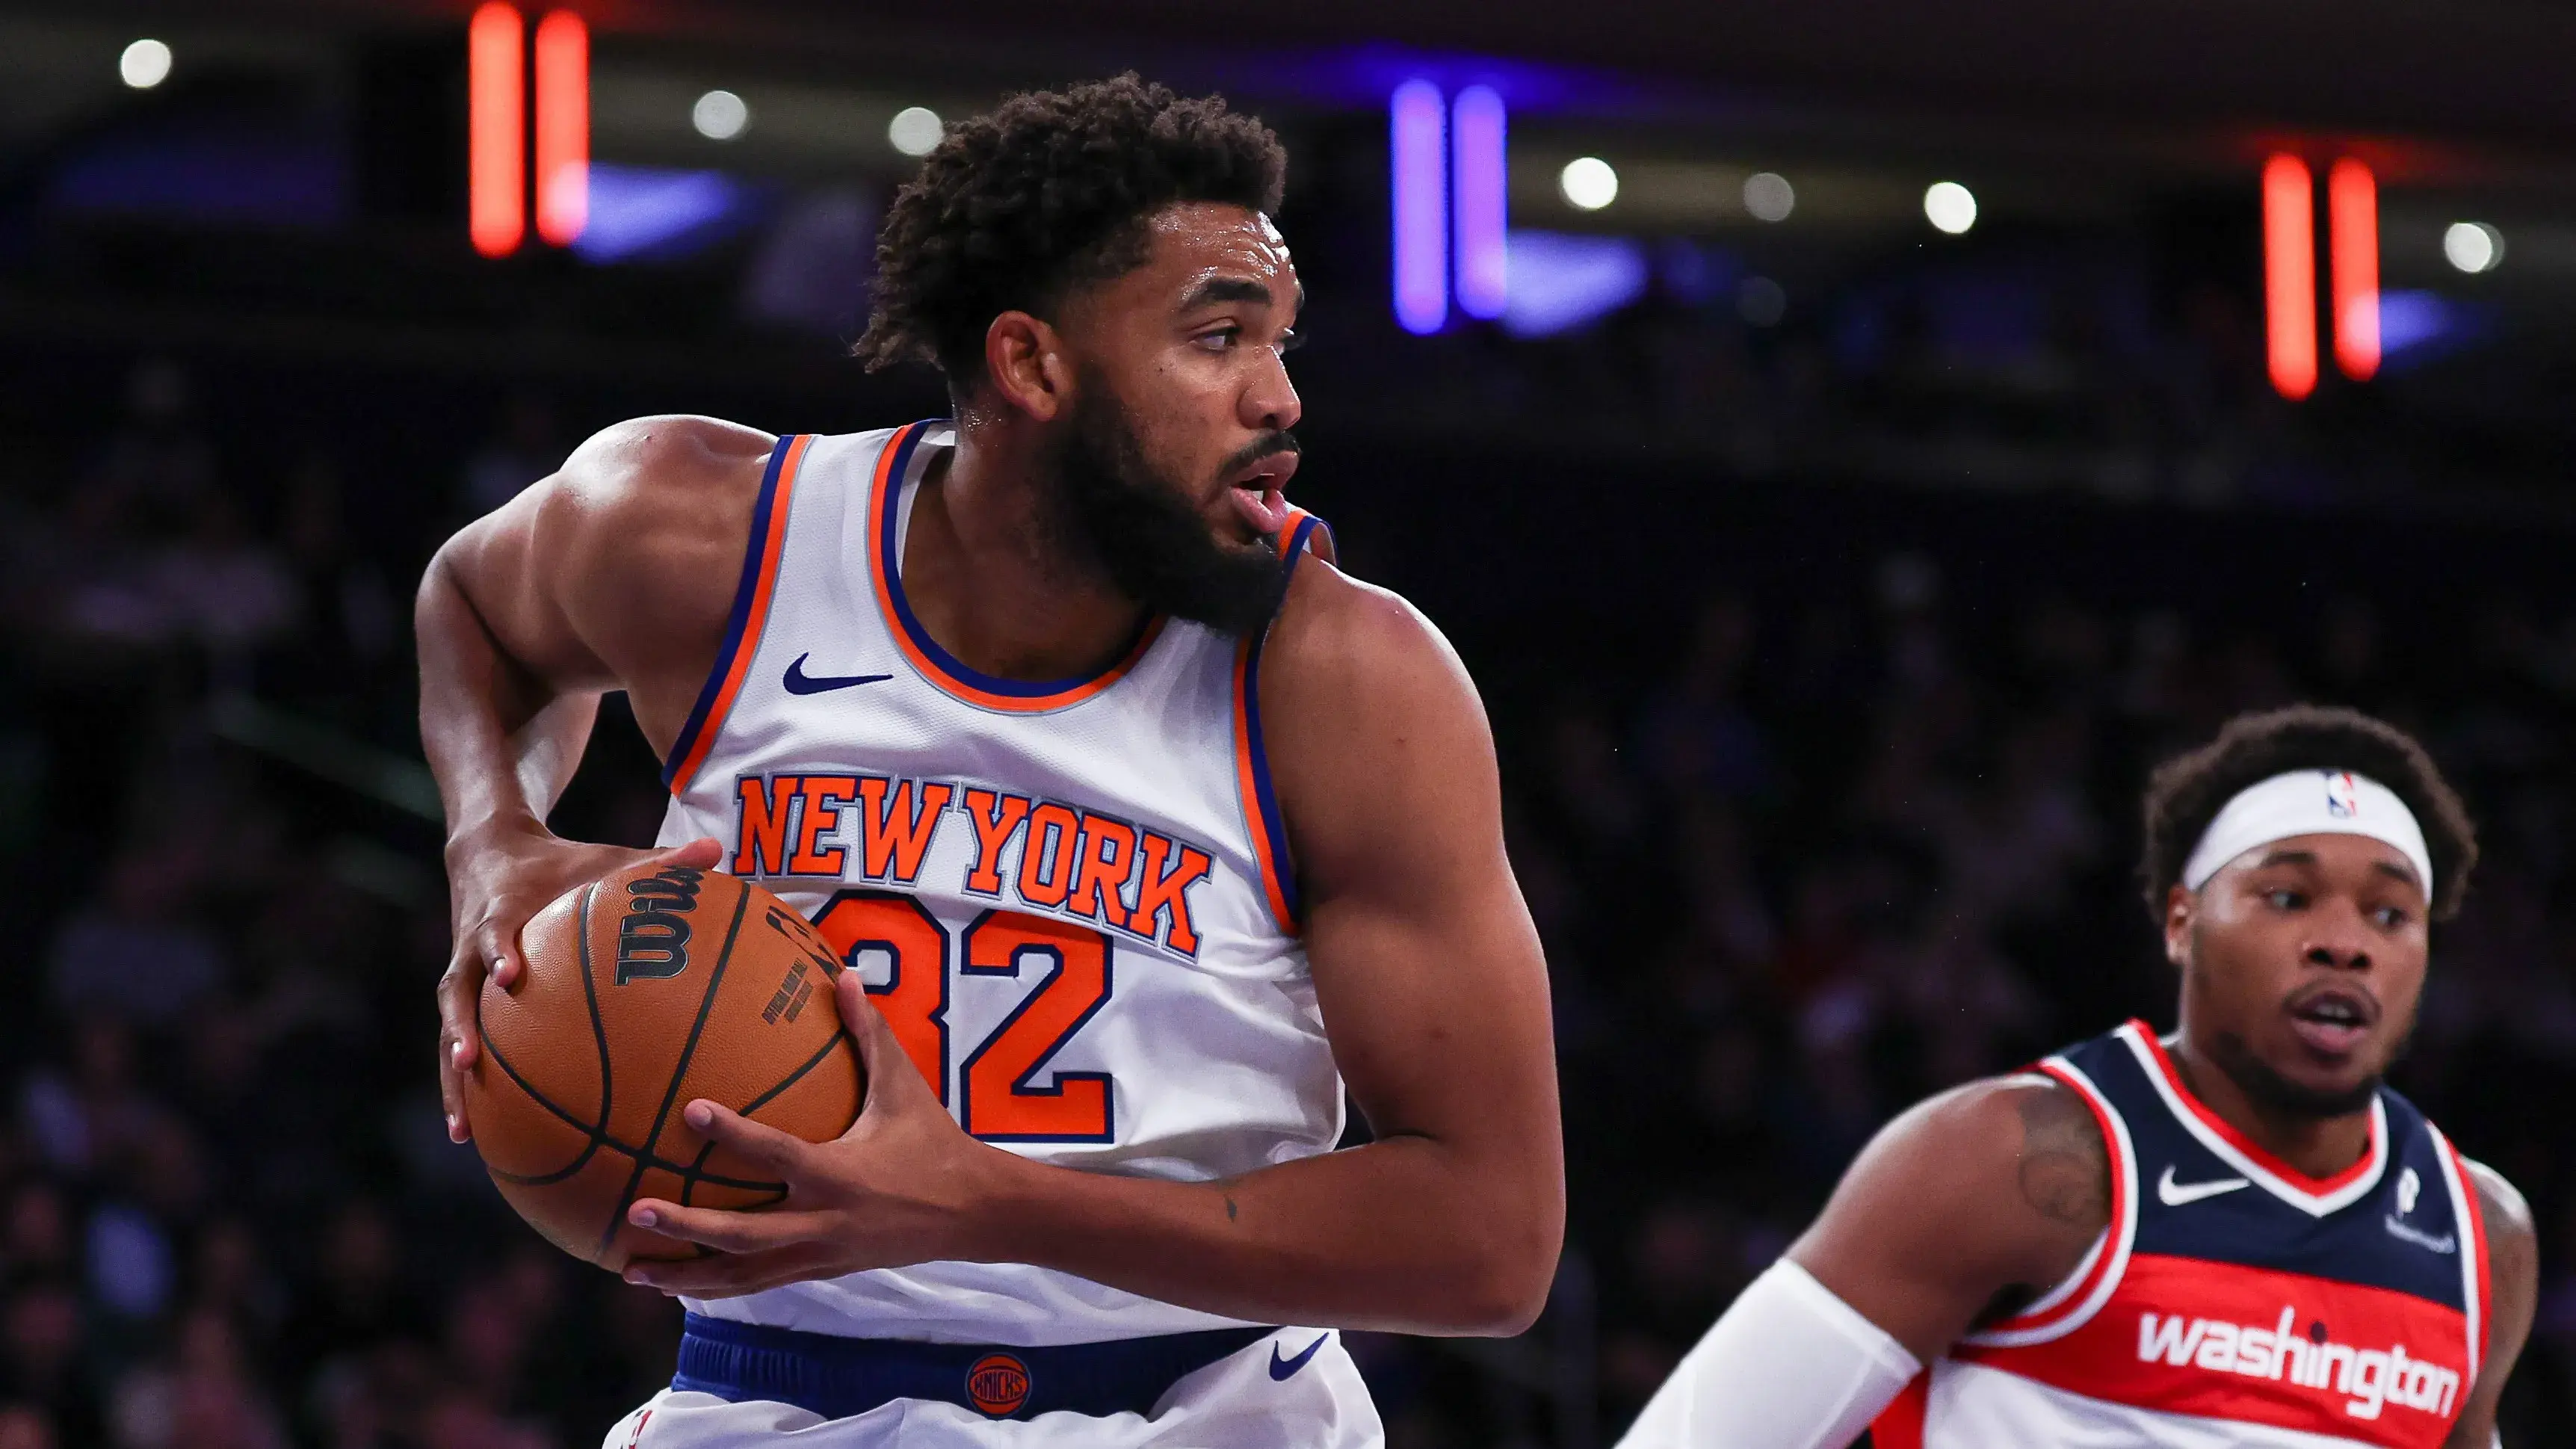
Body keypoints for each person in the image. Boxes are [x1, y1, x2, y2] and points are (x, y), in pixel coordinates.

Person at [416, 76, 1563, 1448]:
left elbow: (1491, 1242)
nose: (1279, 399)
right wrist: (491, 837)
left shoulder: (1345, 675)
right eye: (1217, 338)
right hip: (772, 1396)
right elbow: (471, 605)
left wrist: (981, 1196)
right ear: (1030, 364)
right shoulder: (711, 539)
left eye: (1279, 342)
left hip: (1193, 1409)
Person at [1619, 705, 2536, 1448]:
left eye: (2388, 913)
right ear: (2182, 921)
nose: (2345, 942)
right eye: (2287, 896)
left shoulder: (2480, 1235)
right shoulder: (2012, 1160)